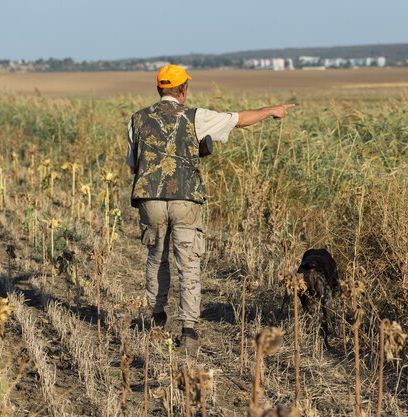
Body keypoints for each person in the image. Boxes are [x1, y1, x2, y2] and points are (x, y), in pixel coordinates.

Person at [126, 64, 294, 347]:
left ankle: (156, 317)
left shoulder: (137, 119)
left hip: (150, 199)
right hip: (186, 200)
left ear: (159, 90)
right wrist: (270, 110)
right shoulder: (196, 117)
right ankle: (188, 330)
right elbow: (239, 119)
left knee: (156, 257)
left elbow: (134, 165)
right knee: (188, 263)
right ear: (183, 90)